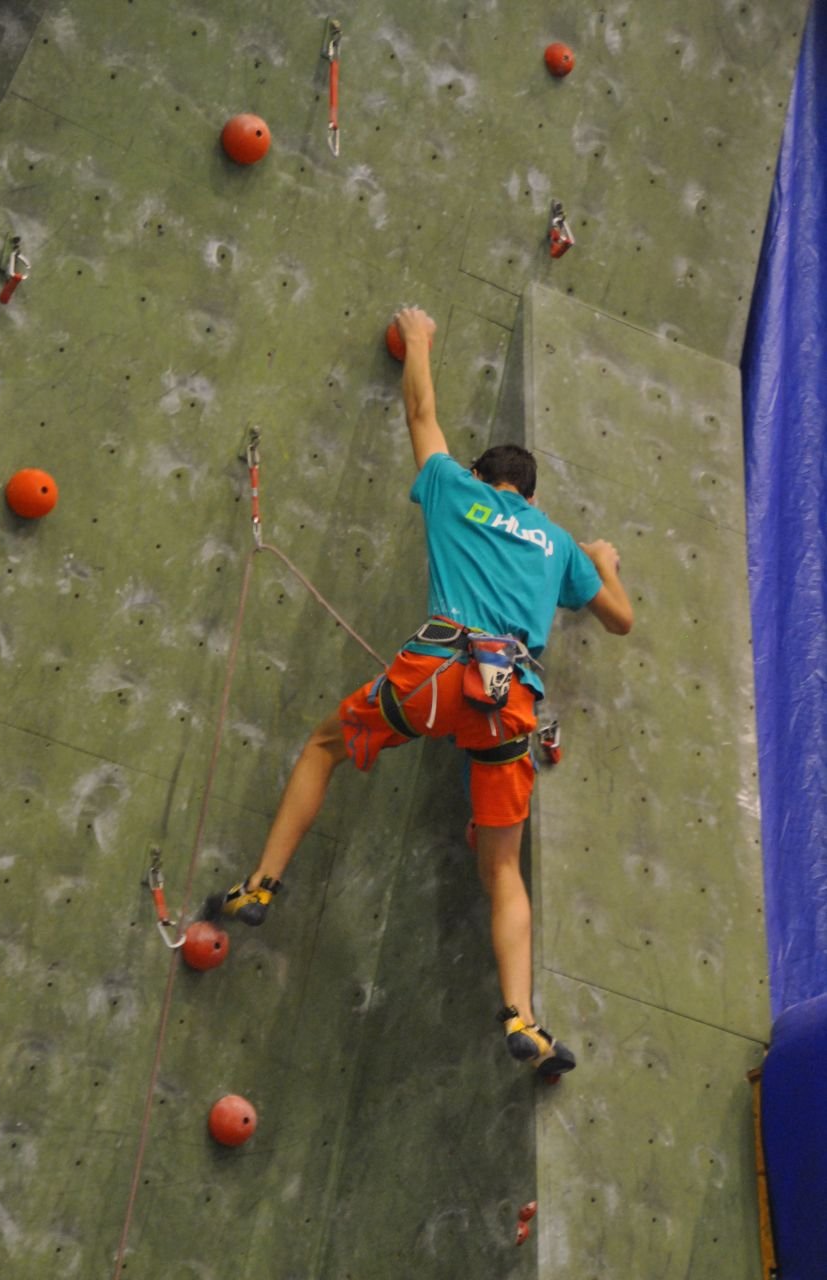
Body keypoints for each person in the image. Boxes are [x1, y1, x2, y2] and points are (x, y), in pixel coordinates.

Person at [205, 307, 633, 1075]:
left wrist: (421, 338)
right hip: (509, 703)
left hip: (433, 676)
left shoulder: (450, 486)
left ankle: (259, 887)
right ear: (530, 497)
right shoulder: (557, 541)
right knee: (502, 871)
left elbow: (420, 413)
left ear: (480, 476)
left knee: (324, 745)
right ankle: (524, 1021)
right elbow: (619, 619)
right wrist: (601, 562)